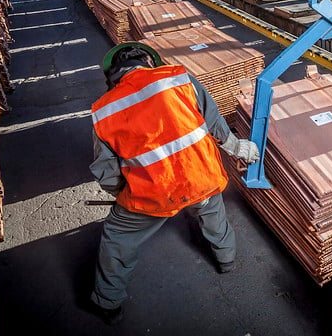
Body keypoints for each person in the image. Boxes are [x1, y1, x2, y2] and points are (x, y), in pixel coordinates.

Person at [88, 42, 259, 324]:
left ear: (113, 76)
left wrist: (125, 194)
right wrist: (237, 147)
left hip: (152, 194)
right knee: (213, 213)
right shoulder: (179, 78)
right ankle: (227, 261)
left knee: (118, 237)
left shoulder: (103, 111)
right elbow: (214, 122)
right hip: (200, 177)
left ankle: (108, 302)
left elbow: (106, 172)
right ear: (149, 61)